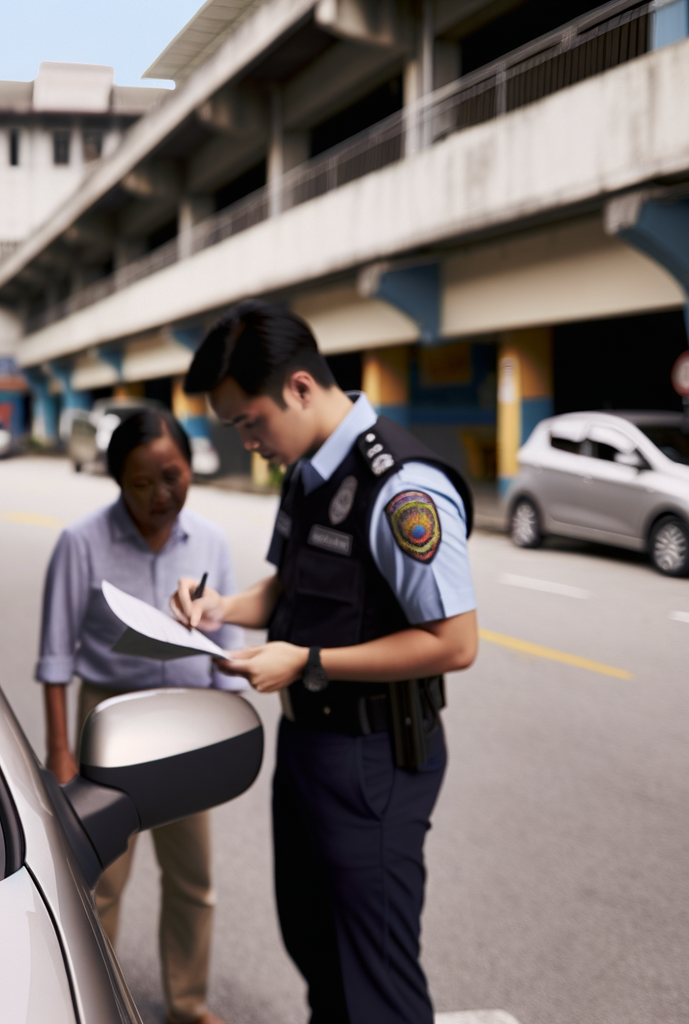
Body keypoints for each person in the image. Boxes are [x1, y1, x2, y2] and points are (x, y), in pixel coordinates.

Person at [170, 301, 478, 1024]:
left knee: (375, 976)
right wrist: (222, 608)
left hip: (375, 753)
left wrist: (307, 660)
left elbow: (454, 643)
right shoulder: (306, 471)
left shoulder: (401, 487)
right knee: (313, 942)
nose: (249, 442)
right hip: (308, 742)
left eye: (250, 422)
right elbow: (292, 587)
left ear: (301, 388)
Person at [37, 407, 240, 1024]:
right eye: (141, 483)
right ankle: (94, 1005)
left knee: (193, 878)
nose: (159, 495)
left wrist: (229, 727)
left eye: (172, 477)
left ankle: (188, 1005)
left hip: (189, 724)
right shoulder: (80, 542)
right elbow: (55, 656)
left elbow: (227, 647)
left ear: (191, 467)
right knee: (101, 881)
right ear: (117, 480)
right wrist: (61, 751)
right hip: (111, 726)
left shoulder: (212, 541)